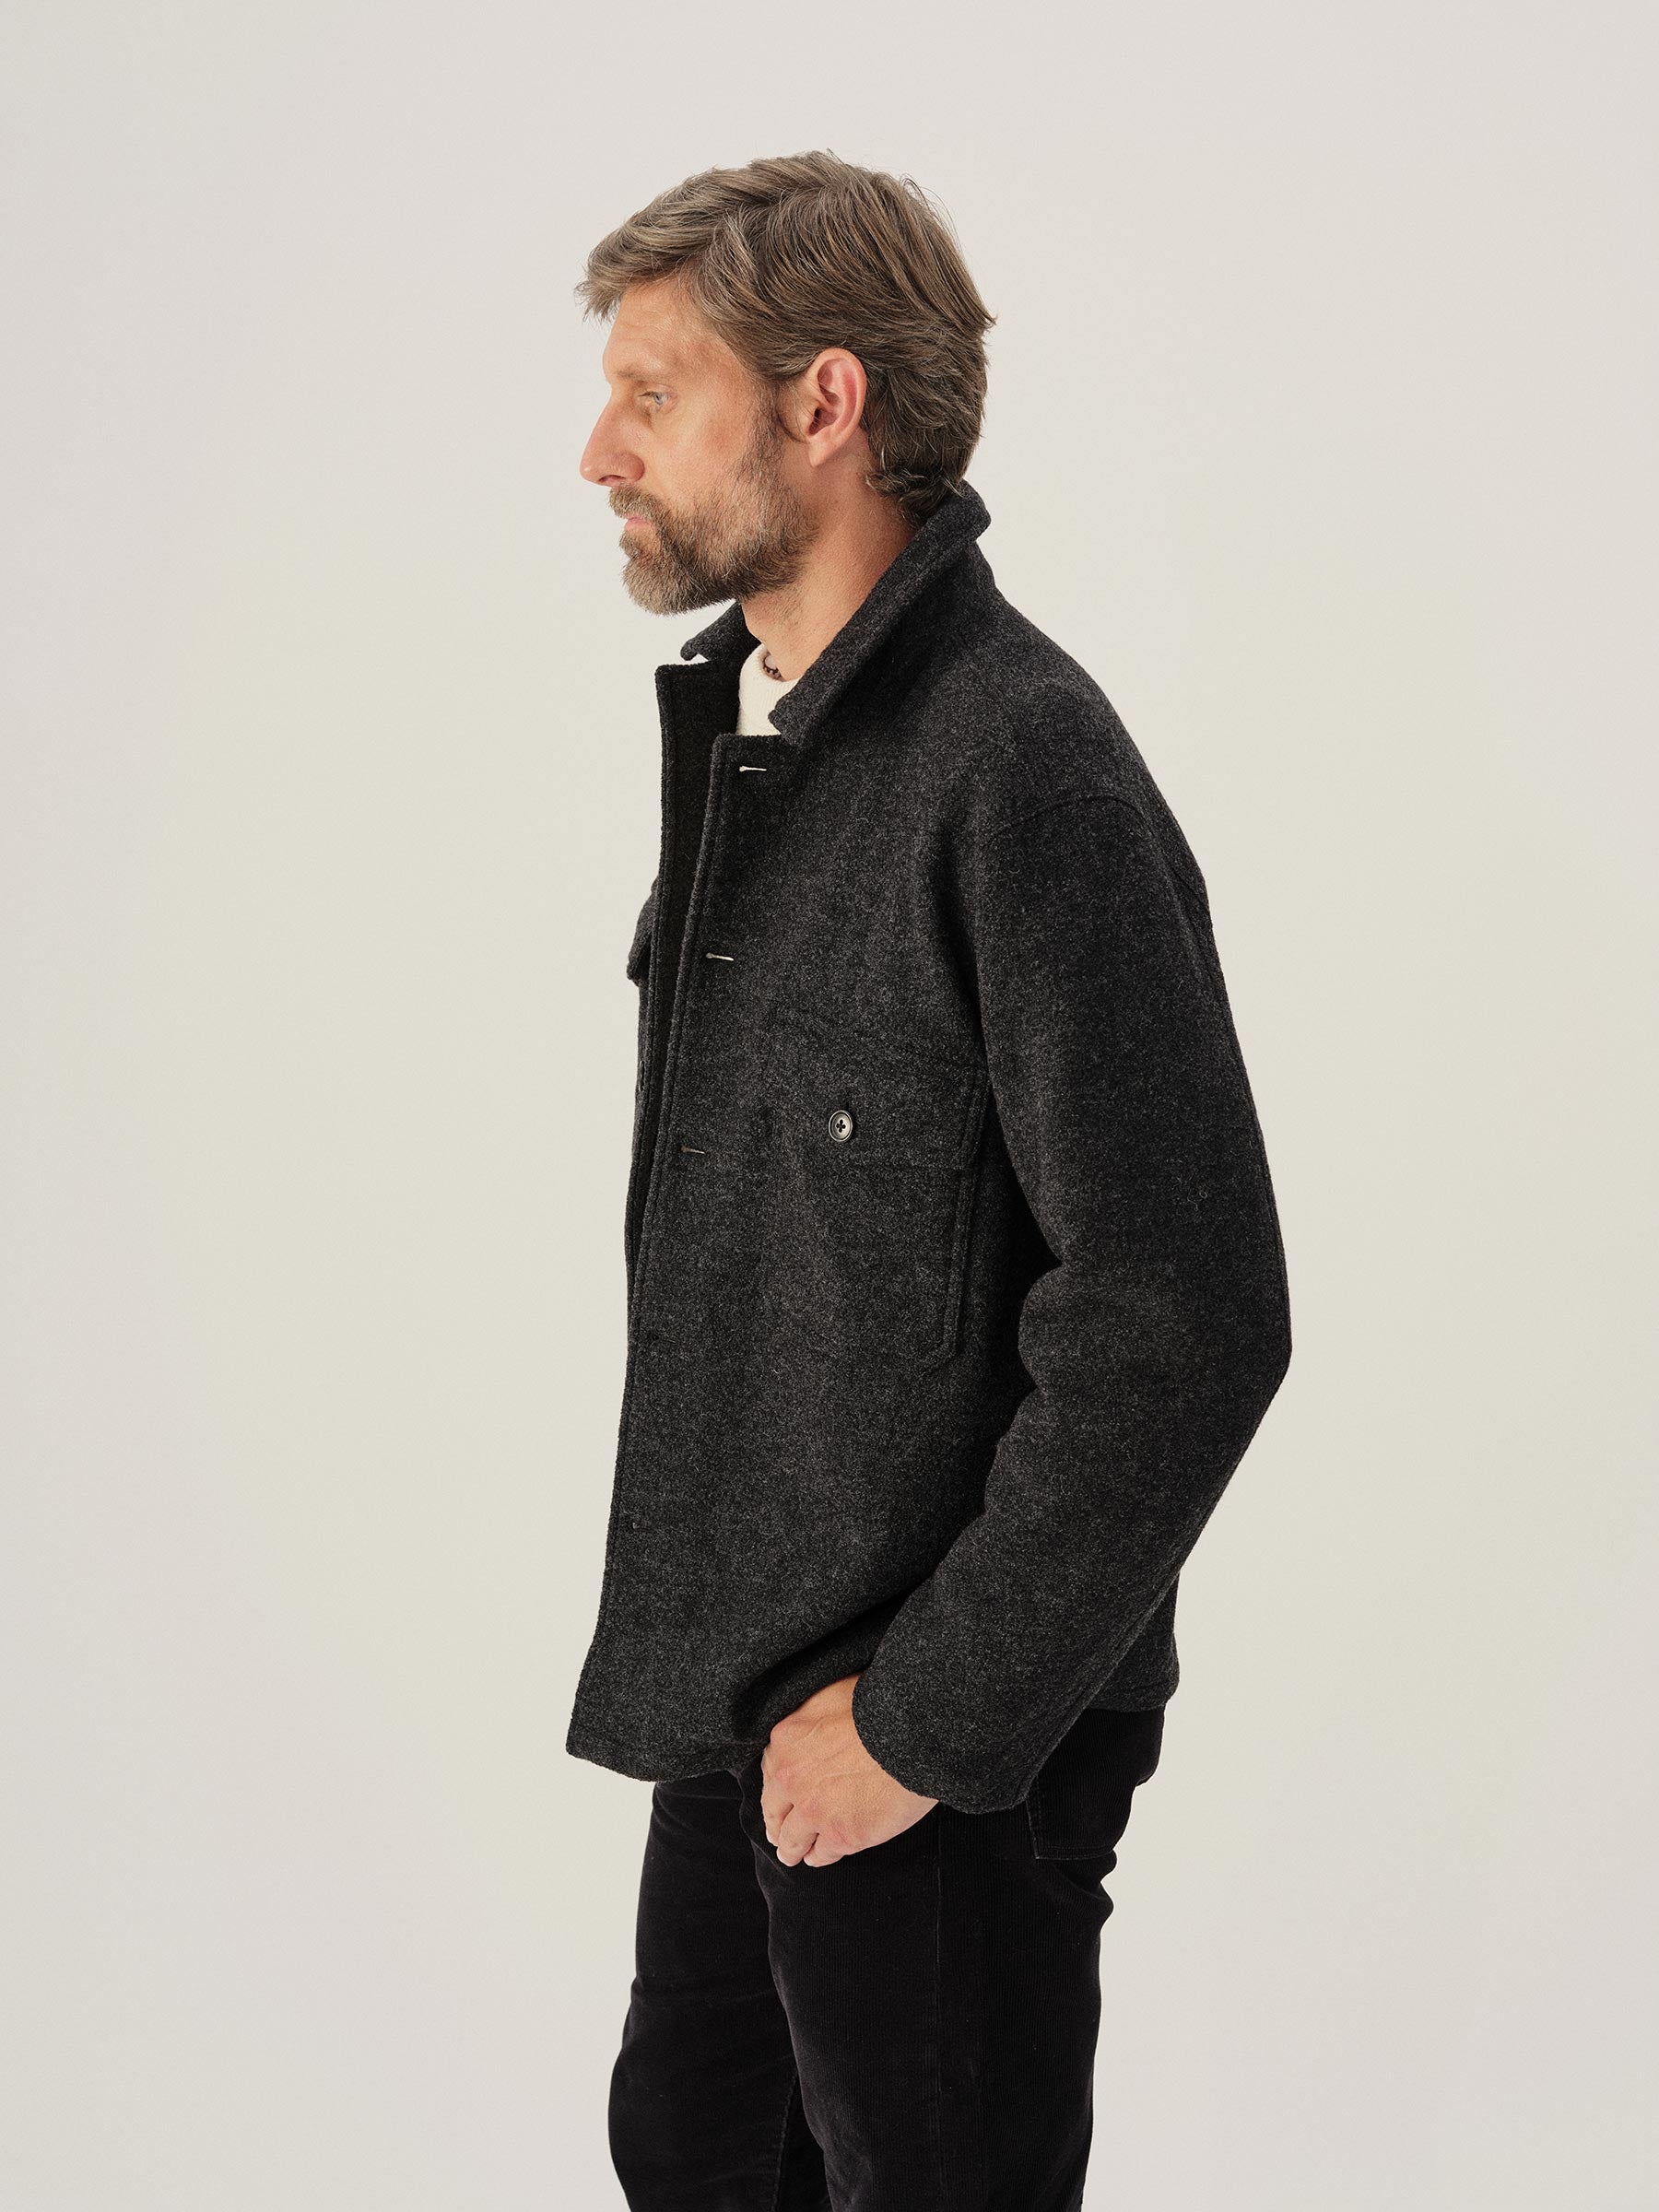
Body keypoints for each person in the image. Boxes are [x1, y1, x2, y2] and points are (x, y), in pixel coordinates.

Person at [569, 150, 1292, 2211]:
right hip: (742, 1697)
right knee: (693, 2154)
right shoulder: (773, 750)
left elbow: (1187, 1312)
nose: (599, 453)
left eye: (652, 394)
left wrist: (920, 1723)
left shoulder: (1021, 768)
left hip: (934, 1750)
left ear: (824, 404)